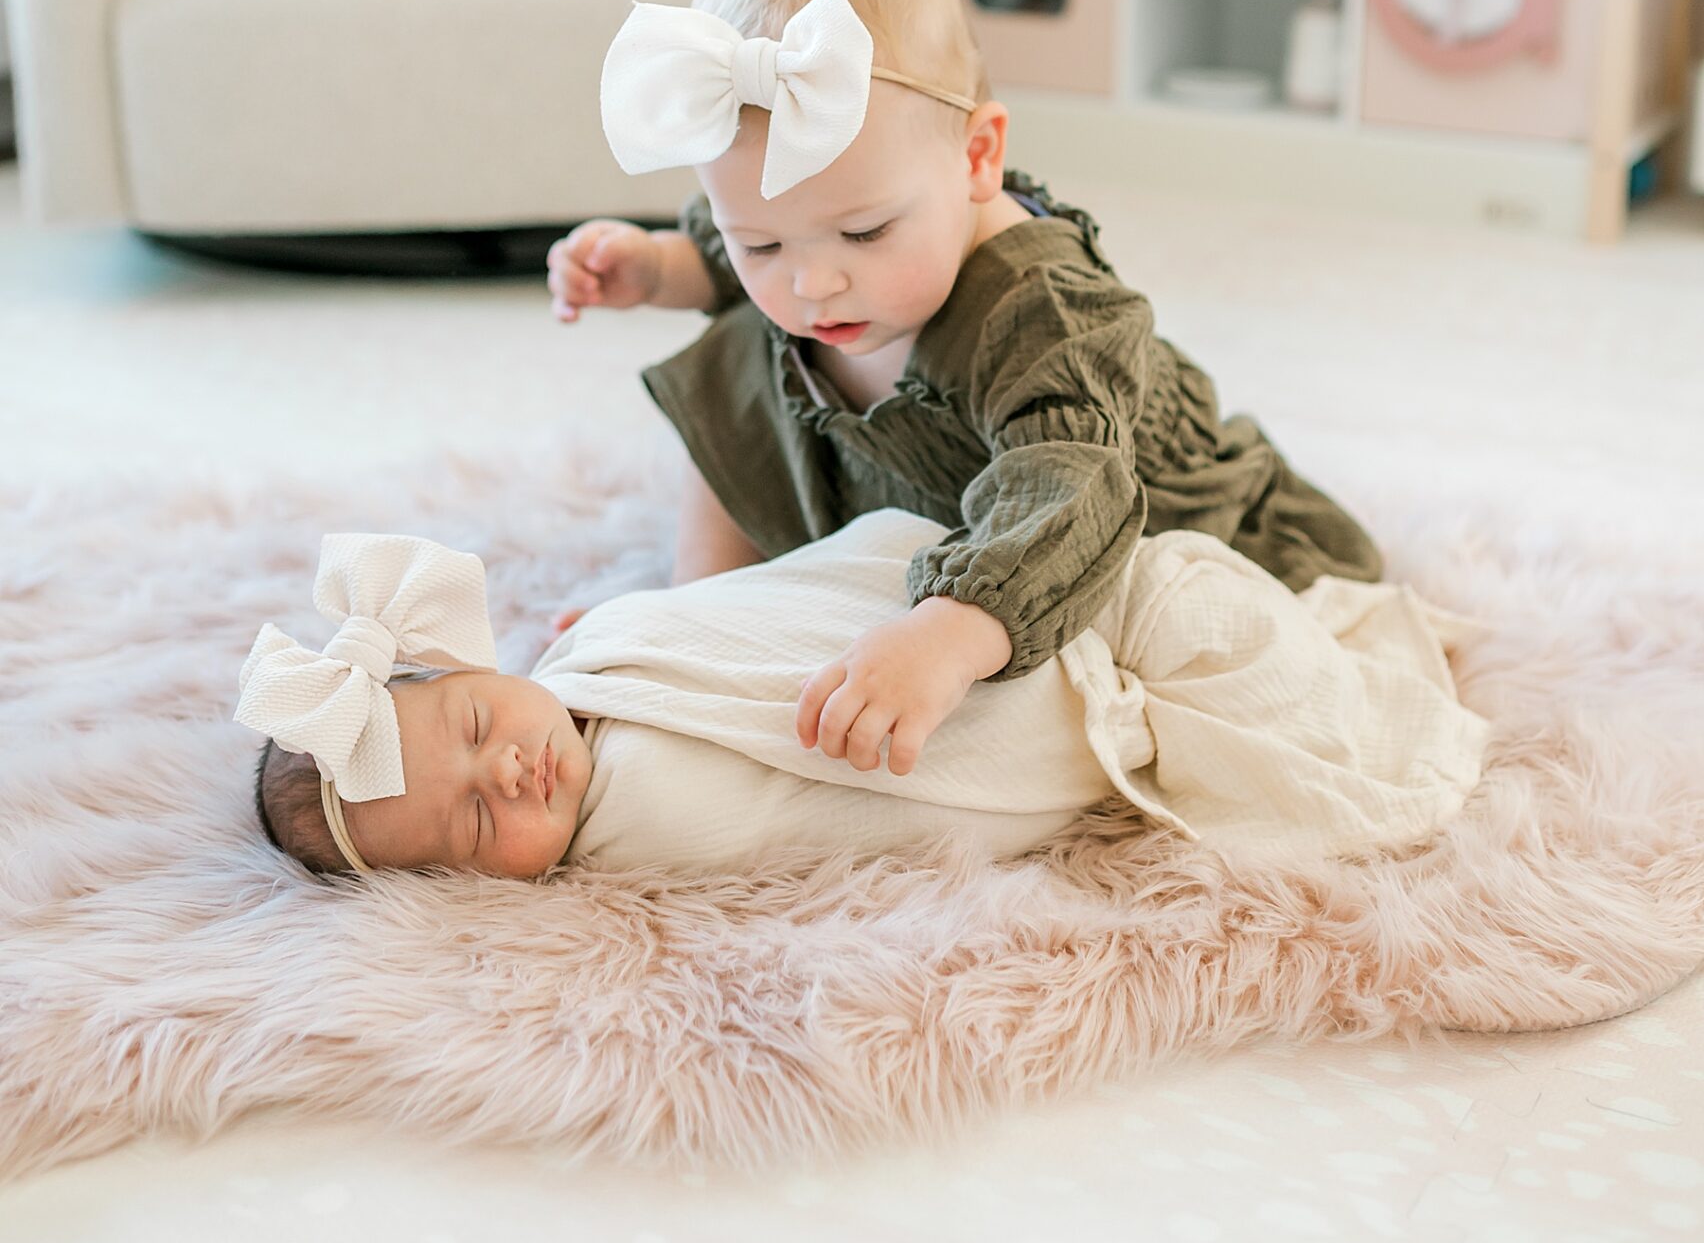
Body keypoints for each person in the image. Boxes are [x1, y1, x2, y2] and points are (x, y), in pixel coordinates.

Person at [549, 0, 1381, 779]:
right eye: (763, 243)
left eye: (864, 233)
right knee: (735, 351)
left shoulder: (1047, 312)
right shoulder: (809, 242)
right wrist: (654, 270)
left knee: (1108, 639)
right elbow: (728, 261)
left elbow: (1067, 488)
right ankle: (701, 606)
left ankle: (962, 607)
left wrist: (948, 635)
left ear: (979, 156)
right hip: (918, 487)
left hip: (1097, 529)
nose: (812, 284)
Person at [241, 522, 1485, 883]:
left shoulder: (601, 647)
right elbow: (831, 818)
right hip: (1072, 696)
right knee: (1295, 743)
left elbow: (794, 591)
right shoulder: (636, 832)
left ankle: (1335, 621)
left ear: (480, 664)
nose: (505, 777)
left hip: (1027, 608)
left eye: (471, 730)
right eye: (469, 829)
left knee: (1182, 595)